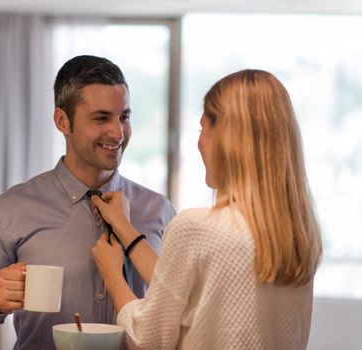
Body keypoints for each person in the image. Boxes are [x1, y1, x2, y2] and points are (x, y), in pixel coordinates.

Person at [0, 55, 176, 349]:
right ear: (62, 121)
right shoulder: (10, 210)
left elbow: (180, 309)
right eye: (101, 118)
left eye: (124, 117)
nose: (117, 133)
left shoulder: (160, 211)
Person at [91, 69, 322, 350]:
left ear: (226, 137)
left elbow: (147, 338)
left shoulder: (197, 228)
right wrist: (126, 231)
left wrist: (112, 275)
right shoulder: (296, 238)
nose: (200, 142)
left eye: (203, 129)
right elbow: (185, 293)